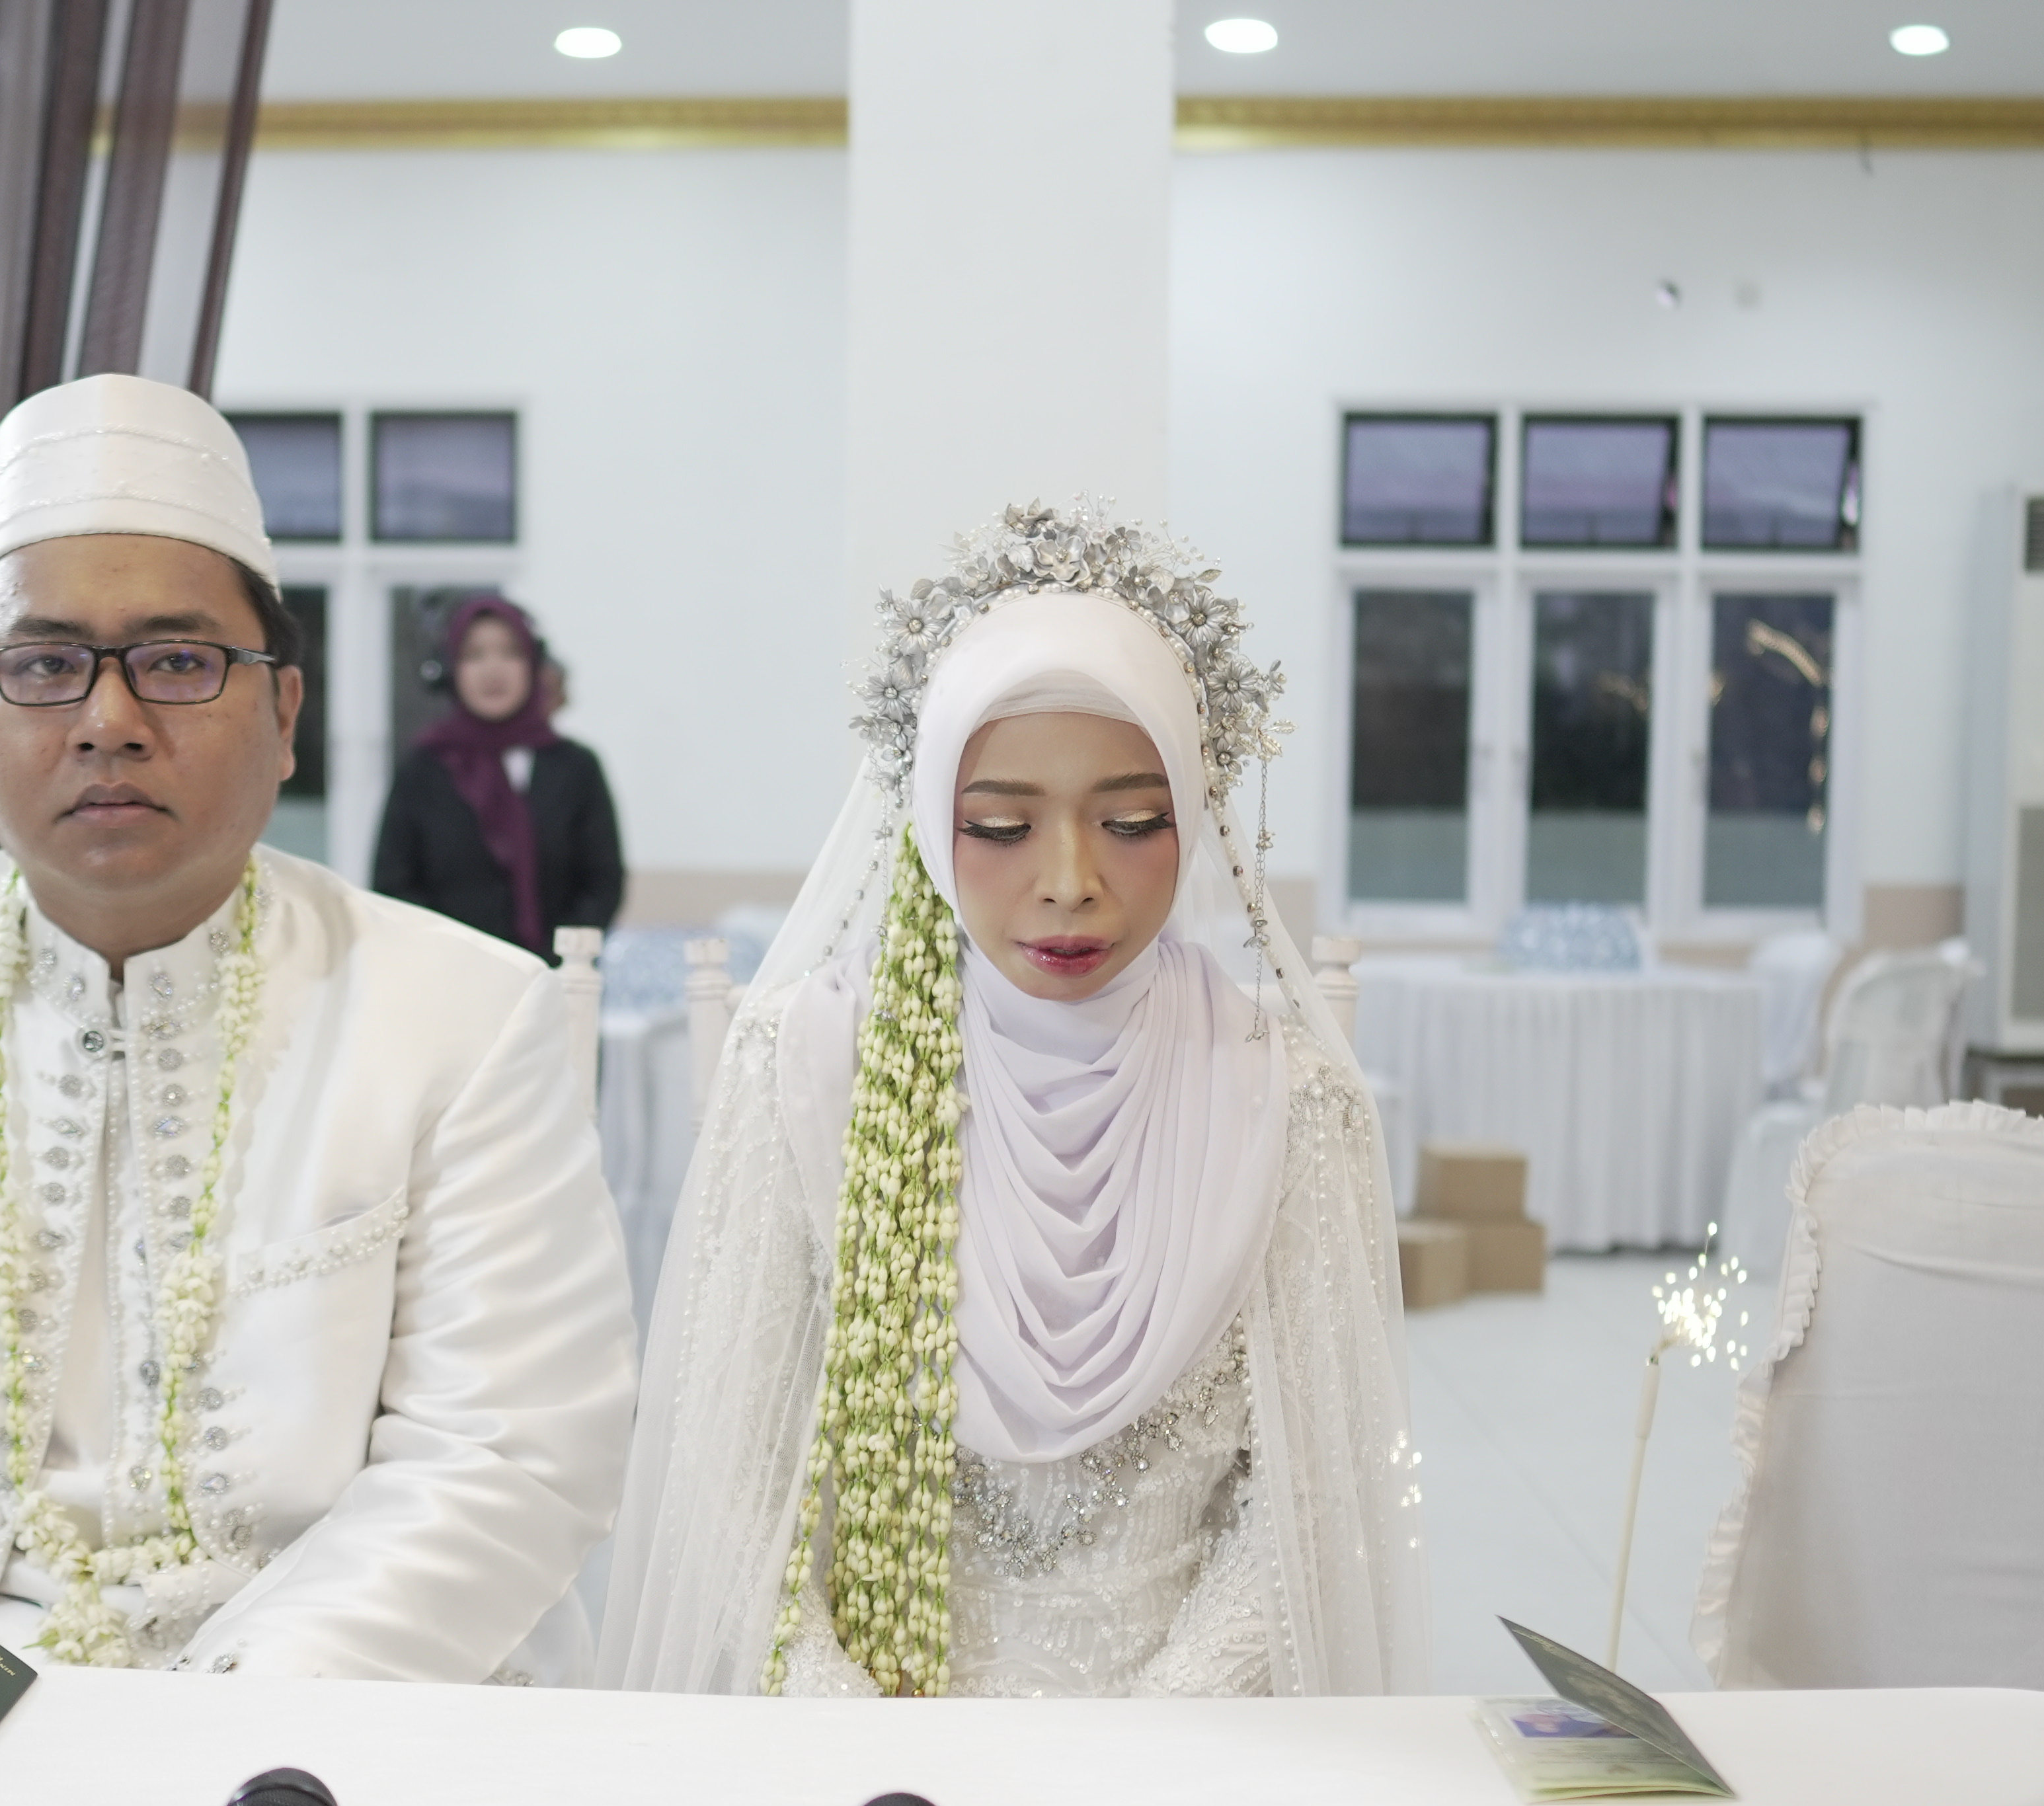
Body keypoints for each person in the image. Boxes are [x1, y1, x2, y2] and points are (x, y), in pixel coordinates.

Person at [0, 375, 637, 1682]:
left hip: (341, 1721)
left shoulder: (463, 1014)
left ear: (285, 716)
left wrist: (224, 1729)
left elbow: (505, 1452)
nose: (108, 722)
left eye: (177, 662)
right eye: (42, 665)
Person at [597, 504, 1426, 1698]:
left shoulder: (1288, 1098)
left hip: (1187, 1745)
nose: (1070, 882)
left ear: (1195, 815)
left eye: (1131, 823)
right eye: (999, 826)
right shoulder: (809, 1069)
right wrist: (859, 1728)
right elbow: (724, 1479)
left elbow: (1314, 1501)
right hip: (872, 1749)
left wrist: (1146, 1735)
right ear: (930, 823)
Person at [372, 595, 623, 955]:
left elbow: (602, 883)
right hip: (450, 975)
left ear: (533, 665)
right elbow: (393, 886)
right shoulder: (423, 770)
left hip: (557, 976)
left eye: (510, 653)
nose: (493, 670)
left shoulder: (576, 767)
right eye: (474, 655)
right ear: (451, 669)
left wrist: (558, 962)